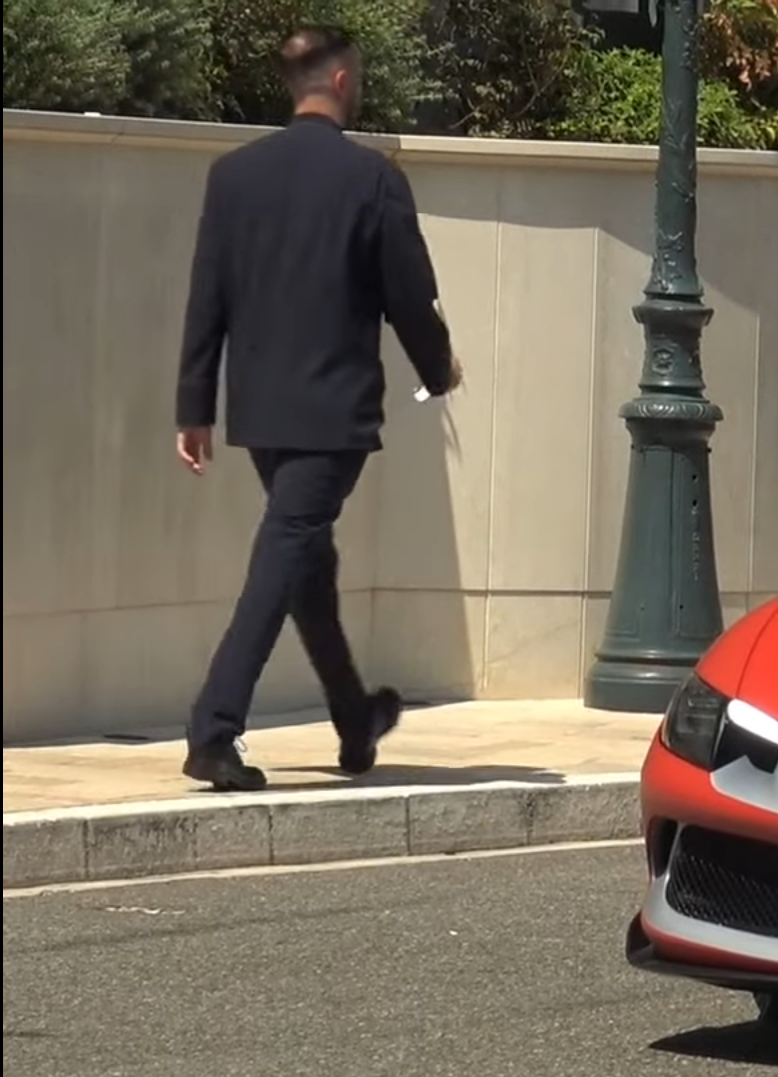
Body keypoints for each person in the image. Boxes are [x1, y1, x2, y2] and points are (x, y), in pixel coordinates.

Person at [175, 27, 461, 792]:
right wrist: (440, 369)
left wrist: (193, 404)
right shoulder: (372, 180)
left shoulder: (234, 177)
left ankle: (354, 715)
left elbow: (208, 296)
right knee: (284, 556)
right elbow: (409, 293)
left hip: (261, 411)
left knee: (307, 565)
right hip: (331, 413)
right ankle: (214, 728)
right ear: (340, 81)